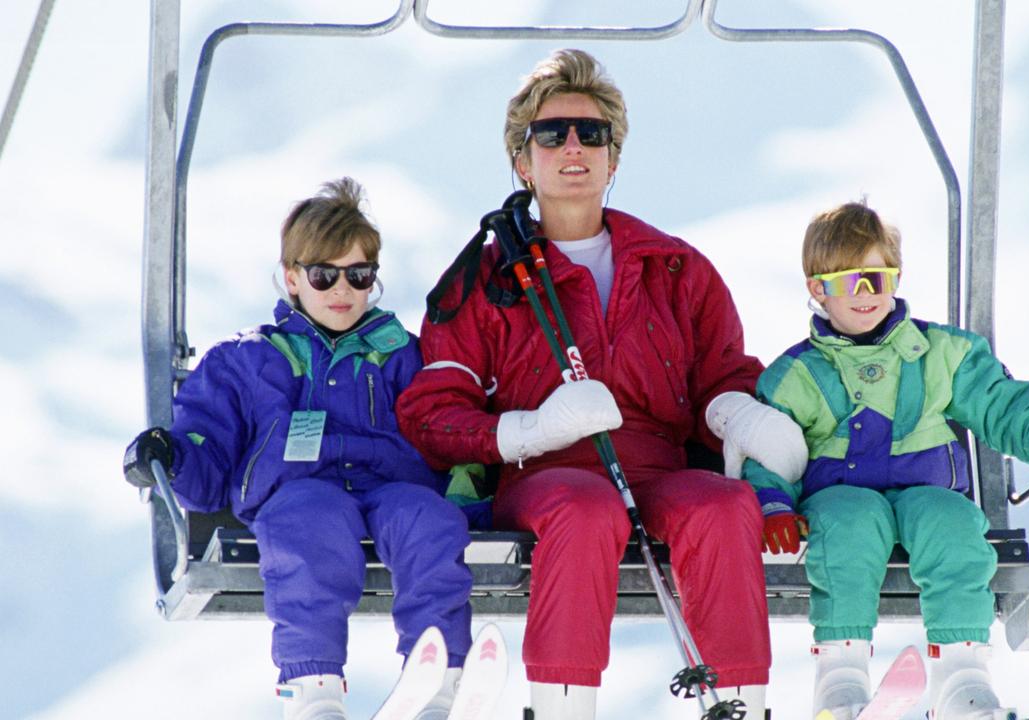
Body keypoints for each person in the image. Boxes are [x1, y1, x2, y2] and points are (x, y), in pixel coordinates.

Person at [395, 49, 809, 720]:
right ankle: (561, 707)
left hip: (657, 465)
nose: (573, 147)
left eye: (592, 133)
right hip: (544, 473)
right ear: (522, 161)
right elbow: (432, 413)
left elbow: (720, 374)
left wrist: (741, 416)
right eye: (551, 134)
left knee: (723, 507)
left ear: (614, 159)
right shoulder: (489, 282)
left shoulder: (676, 270)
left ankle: (740, 703)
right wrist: (532, 428)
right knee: (585, 510)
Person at [122, 178, 474, 720]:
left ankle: (438, 676)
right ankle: (313, 686)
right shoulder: (249, 361)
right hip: (298, 492)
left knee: (429, 520)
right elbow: (208, 450)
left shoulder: (399, 354)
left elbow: (445, 426)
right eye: (323, 275)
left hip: (390, 488)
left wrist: (473, 476)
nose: (343, 290)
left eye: (358, 275)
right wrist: (171, 458)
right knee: (309, 525)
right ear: (292, 278)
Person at [745, 201, 1029, 720]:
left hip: (927, 491)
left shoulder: (941, 353)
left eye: (877, 278)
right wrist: (773, 504)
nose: (867, 296)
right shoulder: (797, 375)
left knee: (954, 525)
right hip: (839, 498)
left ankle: (963, 682)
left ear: (896, 278)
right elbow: (766, 445)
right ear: (818, 289)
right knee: (848, 526)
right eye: (849, 283)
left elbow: (1002, 403)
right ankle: (841, 683)